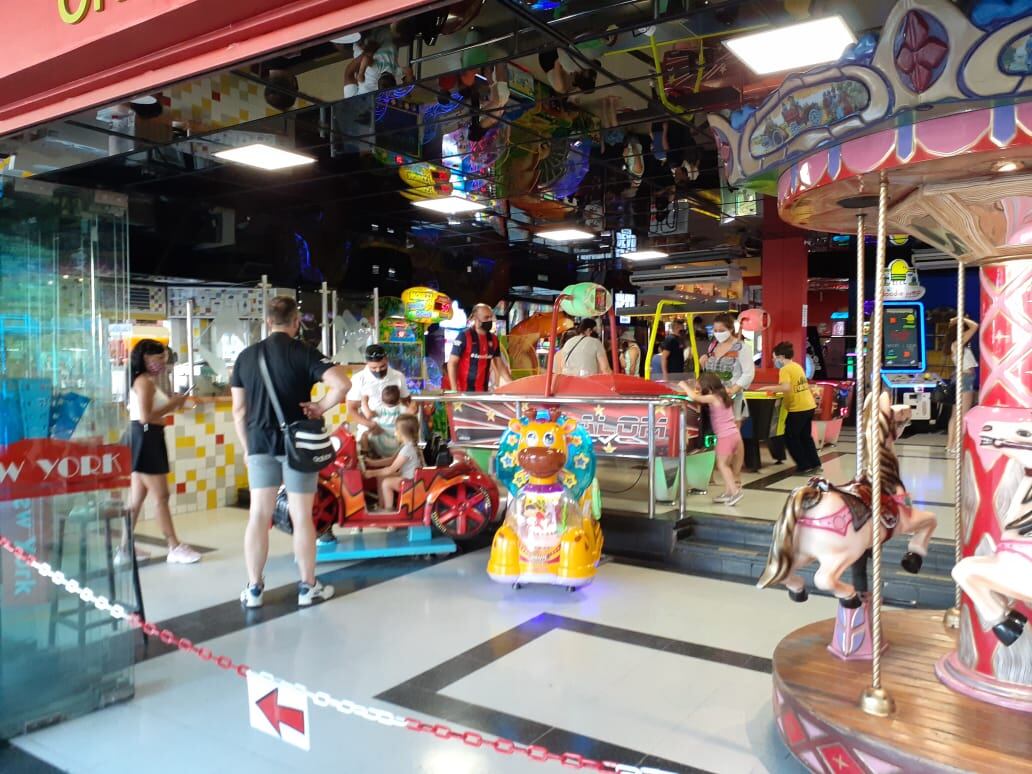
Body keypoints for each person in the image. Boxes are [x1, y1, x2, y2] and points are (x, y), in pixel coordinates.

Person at [231, 296, 352, 608]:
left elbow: (238, 410)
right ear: (296, 321)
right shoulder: (304, 352)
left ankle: (254, 589)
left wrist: (247, 449)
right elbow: (341, 384)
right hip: (298, 444)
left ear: (267, 321)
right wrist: (320, 406)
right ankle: (307, 587)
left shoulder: (245, 357)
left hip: (259, 443)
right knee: (301, 516)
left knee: (259, 515)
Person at [119, 339, 201, 566]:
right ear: (146, 358)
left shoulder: (145, 381)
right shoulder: (144, 382)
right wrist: (174, 403)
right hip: (146, 437)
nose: (163, 363)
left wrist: (174, 402)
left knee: (136, 499)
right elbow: (146, 416)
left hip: (144, 437)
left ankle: (125, 547)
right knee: (161, 496)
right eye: (159, 358)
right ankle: (173, 546)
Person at [699, 313, 755, 481]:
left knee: (734, 439)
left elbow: (748, 373)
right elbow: (708, 374)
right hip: (712, 399)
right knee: (714, 436)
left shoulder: (741, 348)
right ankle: (714, 473)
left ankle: (735, 475)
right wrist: (703, 364)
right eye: (715, 330)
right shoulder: (712, 348)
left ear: (731, 329)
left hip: (733, 399)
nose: (718, 333)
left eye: (721, 330)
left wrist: (735, 388)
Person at [679, 373, 743, 506]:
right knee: (726, 465)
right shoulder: (723, 394)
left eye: (700, 384)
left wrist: (684, 385)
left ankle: (735, 492)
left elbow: (695, 397)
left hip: (725, 436)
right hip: (734, 434)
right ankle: (728, 493)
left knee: (722, 465)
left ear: (707, 385)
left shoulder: (713, 397)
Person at [771, 341, 822, 475]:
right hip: (808, 405)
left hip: (798, 408)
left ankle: (803, 466)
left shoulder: (785, 369)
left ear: (781, 357)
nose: (773, 360)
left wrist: (767, 388)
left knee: (791, 437)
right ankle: (815, 463)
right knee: (805, 436)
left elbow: (786, 387)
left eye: (774, 358)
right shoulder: (797, 366)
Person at [348, 344, 411, 449]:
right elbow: (351, 409)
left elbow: (406, 402)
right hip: (369, 429)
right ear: (367, 363)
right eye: (373, 368)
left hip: (395, 431)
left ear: (386, 360)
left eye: (382, 366)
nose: (378, 370)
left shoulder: (398, 376)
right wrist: (370, 425)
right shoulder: (358, 379)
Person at [447, 303, 511, 392]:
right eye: (486, 317)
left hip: (483, 392)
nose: (489, 320)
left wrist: (511, 383)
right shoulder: (464, 337)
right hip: (463, 392)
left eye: (490, 317)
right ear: (476, 318)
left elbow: (499, 365)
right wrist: (454, 390)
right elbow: (452, 363)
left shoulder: (494, 339)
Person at [364, 414, 422, 511]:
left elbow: (391, 469)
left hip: (410, 481)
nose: (395, 433)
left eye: (396, 430)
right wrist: (372, 463)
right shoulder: (406, 445)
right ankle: (381, 505)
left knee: (387, 483)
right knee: (381, 477)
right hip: (408, 476)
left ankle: (389, 510)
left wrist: (371, 473)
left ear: (402, 433)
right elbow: (391, 460)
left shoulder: (407, 449)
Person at [945, 315, 979, 455]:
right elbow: (975, 326)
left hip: (960, 378)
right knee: (962, 414)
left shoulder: (955, 344)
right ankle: (956, 446)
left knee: (955, 415)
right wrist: (961, 318)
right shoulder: (959, 342)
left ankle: (950, 445)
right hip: (965, 379)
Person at [361, 384, 406, 458]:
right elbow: (411, 412)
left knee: (364, 435)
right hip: (397, 444)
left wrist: (364, 402)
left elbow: (368, 415)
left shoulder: (381, 409)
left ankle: (366, 456)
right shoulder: (402, 409)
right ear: (399, 400)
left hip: (381, 443)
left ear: (382, 400)